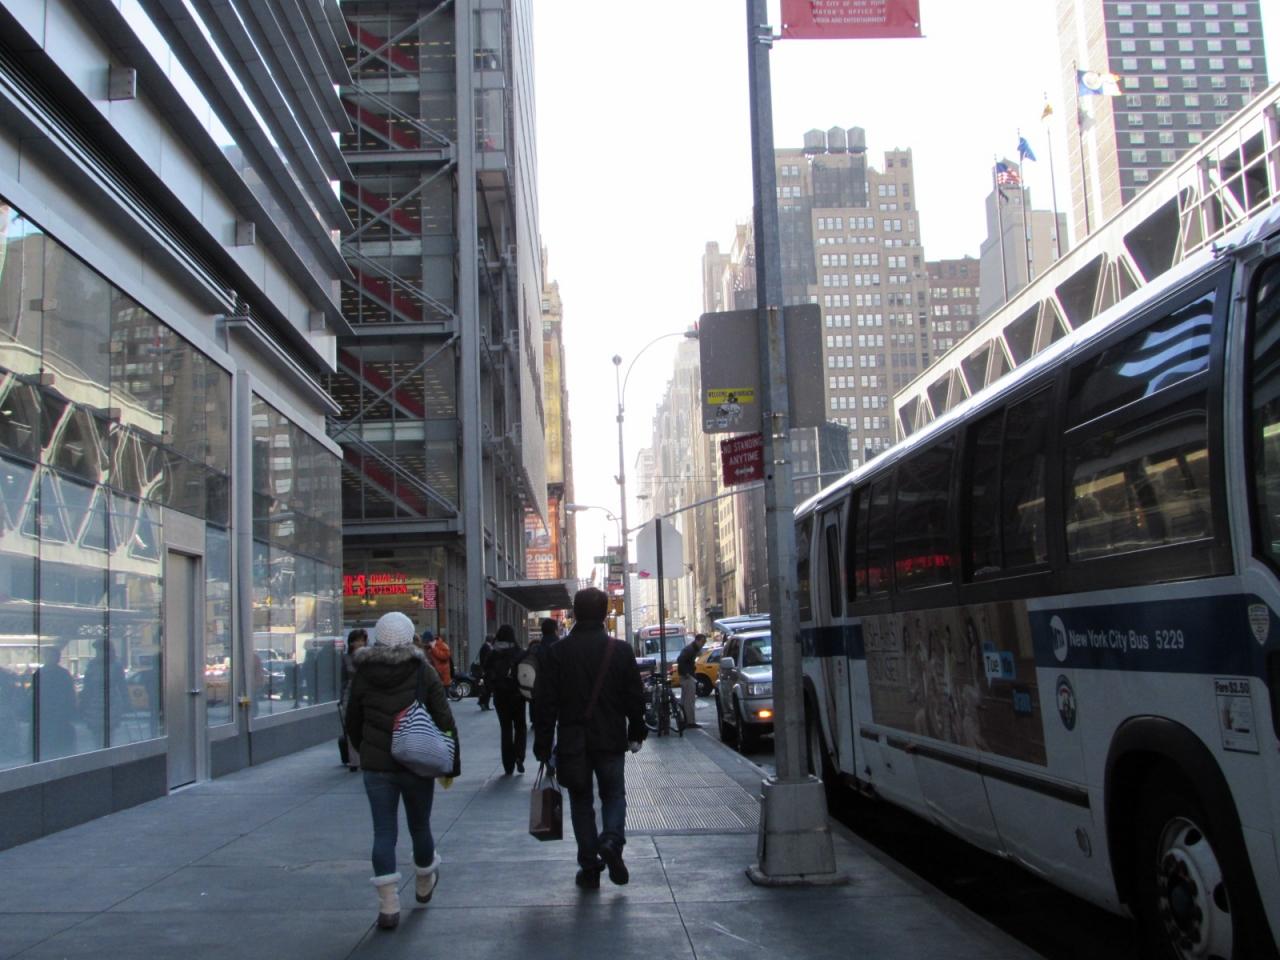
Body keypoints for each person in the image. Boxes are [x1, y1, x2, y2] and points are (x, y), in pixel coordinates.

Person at [345, 611, 456, 931]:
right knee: (420, 826)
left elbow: (352, 719)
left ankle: (388, 905)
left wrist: (367, 749)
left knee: (383, 832)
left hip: (377, 767)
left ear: (378, 638)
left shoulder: (363, 673)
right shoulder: (423, 670)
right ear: (410, 638)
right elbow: (444, 718)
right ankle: (423, 881)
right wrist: (449, 760)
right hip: (417, 763)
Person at [533, 587, 646, 890]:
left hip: (573, 741)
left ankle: (589, 866)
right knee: (614, 794)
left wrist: (543, 744)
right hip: (610, 737)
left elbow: (545, 703)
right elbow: (635, 697)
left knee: (581, 802)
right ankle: (611, 840)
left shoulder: (557, 653)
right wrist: (636, 730)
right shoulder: (620, 650)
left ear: (574, 613)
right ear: (605, 614)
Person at [485, 624, 527, 774]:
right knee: (520, 726)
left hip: (500, 696)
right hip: (517, 695)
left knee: (506, 728)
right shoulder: (519, 653)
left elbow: (486, 672)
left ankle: (508, 764)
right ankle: (519, 756)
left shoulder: (493, 653)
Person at [33, 646, 76, 759]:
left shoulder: (57, 674)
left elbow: (69, 694)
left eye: (50, 655)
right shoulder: (59, 673)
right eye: (46, 655)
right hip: (48, 713)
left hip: (56, 713)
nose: (48, 658)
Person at [339, 628, 368, 770]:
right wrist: (341, 697)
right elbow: (343, 680)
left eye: (363, 640)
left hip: (366, 694)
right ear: (351, 642)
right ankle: (354, 760)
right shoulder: (346, 658)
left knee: (365, 726)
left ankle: (365, 757)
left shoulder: (369, 657)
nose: (360, 643)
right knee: (351, 726)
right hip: (350, 694)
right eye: (358, 641)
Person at [676, 633, 706, 728]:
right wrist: (687, 673)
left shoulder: (692, 649)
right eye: (702, 642)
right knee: (689, 700)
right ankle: (690, 722)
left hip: (687, 676)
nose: (703, 644)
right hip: (687, 677)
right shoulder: (690, 649)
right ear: (697, 640)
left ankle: (685, 720)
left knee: (686, 700)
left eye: (704, 642)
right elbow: (680, 660)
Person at [474, 634, 494, 710]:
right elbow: (487, 659)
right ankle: (483, 703)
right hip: (486, 671)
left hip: (486, 670)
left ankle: (484, 704)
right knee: (487, 688)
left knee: (486, 688)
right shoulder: (486, 647)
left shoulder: (485, 646)